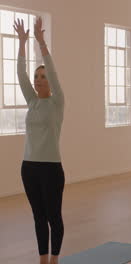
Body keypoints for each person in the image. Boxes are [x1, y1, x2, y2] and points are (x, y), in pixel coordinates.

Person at [14, 17, 65, 264]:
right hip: (29, 167)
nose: (38, 79)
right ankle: (42, 259)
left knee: (53, 216)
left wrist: (41, 43)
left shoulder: (57, 102)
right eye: (37, 76)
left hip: (51, 168)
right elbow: (20, 74)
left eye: (42, 76)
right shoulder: (32, 102)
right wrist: (23, 43)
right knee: (38, 217)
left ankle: (54, 259)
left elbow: (53, 72)